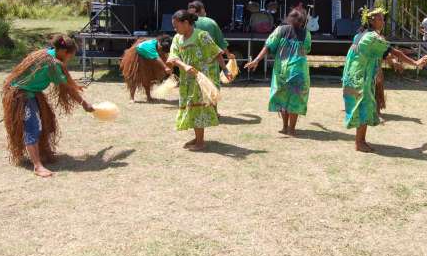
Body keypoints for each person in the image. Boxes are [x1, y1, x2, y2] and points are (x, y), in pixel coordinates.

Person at [2, 34, 94, 177]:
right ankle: (37, 166)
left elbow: (67, 82)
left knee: (45, 123)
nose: (70, 59)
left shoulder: (47, 53)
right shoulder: (52, 65)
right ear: (64, 52)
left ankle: (42, 154)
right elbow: (67, 88)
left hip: (30, 93)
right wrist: (84, 104)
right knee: (33, 127)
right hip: (22, 95)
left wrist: (74, 85)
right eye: (71, 56)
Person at [342, 7, 427, 152]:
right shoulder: (372, 37)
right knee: (365, 106)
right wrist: (416, 63)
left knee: (364, 106)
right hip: (360, 78)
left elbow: (383, 53)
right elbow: (393, 51)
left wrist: (395, 60)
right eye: (380, 18)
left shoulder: (361, 35)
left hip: (354, 77)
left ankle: (361, 141)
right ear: (371, 21)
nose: (383, 21)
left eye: (383, 18)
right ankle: (359, 142)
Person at [167, 10, 231, 151]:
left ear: (186, 23)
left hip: (202, 79)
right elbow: (173, 57)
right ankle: (197, 138)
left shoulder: (202, 35)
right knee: (191, 106)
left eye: (176, 26)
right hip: (187, 79)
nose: (174, 29)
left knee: (199, 107)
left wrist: (225, 69)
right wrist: (183, 66)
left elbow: (216, 53)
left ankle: (200, 142)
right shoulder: (177, 38)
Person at [244, 8, 311, 136]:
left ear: (289, 18)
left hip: (282, 70)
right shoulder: (306, 33)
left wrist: (256, 60)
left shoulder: (280, 30)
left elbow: (268, 46)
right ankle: (292, 129)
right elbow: (306, 49)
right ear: (303, 21)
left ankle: (285, 127)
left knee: (283, 98)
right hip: (299, 71)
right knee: (295, 100)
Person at [120, 34, 173, 102]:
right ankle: (132, 97)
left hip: (148, 58)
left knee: (148, 78)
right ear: (160, 45)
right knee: (134, 77)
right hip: (137, 58)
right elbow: (157, 58)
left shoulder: (157, 45)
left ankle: (148, 97)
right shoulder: (151, 47)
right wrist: (165, 67)